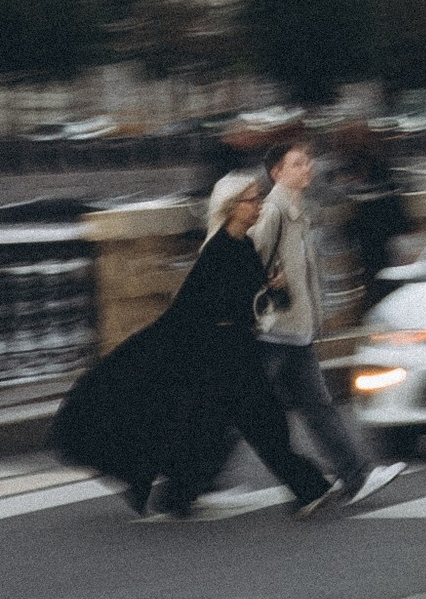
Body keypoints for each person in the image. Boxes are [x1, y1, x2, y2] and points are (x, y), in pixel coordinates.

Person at [54, 170, 336, 519]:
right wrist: (266, 292)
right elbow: (213, 309)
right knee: (261, 423)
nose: (260, 205)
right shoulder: (218, 252)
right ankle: (309, 487)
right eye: (253, 200)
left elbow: (255, 303)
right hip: (221, 353)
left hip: (229, 349)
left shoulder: (242, 246)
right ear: (233, 207)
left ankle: (178, 495)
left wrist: (274, 288)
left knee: (213, 427)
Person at [253, 134, 377, 509]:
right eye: (297, 164)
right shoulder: (273, 213)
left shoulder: (298, 211)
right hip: (271, 335)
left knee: (318, 409)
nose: (308, 169)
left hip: (296, 333)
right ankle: (188, 481)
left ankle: (354, 477)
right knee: (247, 416)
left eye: (308, 163)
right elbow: (246, 260)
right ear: (276, 173)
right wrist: (268, 282)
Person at [336, 123, 409, 311]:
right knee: (387, 282)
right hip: (384, 236)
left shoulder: (359, 168)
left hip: (371, 238)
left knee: (376, 282)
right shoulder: (380, 166)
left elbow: (361, 205)